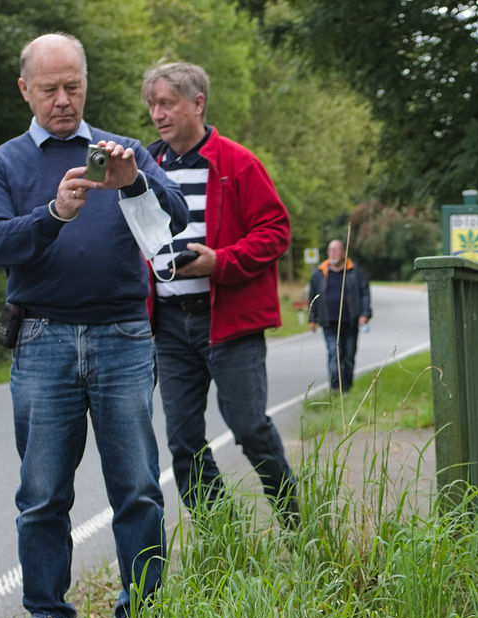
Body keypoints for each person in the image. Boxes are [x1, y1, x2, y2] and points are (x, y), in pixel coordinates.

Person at [0, 33, 188, 618]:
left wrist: (132, 184)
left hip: (122, 335)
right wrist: (55, 214)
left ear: (86, 84)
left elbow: (173, 219)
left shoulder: (120, 151)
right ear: (25, 90)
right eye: (49, 89)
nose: (64, 100)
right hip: (42, 338)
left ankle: (144, 617)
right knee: (42, 492)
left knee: (138, 486)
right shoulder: (2, 164)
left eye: (74, 87)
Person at [142, 61, 300, 528]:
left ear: (198, 103)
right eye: (152, 105)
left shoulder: (237, 162)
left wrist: (221, 262)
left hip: (227, 319)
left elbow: (276, 231)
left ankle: (298, 527)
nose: (157, 114)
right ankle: (222, 538)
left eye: (166, 103)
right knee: (184, 442)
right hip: (169, 325)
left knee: (249, 427)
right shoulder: (144, 168)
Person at [306, 239, 371, 392]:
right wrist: (312, 319)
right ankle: (336, 388)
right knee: (334, 355)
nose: (333, 253)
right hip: (329, 323)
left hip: (350, 322)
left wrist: (364, 314)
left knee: (348, 357)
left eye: (337, 250)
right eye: (331, 250)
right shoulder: (319, 273)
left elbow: (365, 293)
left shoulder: (355, 272)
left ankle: (347, 388)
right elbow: (312, 297)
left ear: (343, 252)